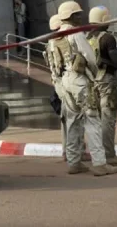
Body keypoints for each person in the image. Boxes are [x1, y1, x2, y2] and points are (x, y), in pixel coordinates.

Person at [53, 0, 117, 176]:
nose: (81, 17)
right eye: (78, 14)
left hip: (64, 81)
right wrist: (94, 75)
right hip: (79, 80)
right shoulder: (76, 33)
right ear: (70, 16)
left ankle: (74, 162)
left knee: (73, 121)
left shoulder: (55, 37)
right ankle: (99, 163)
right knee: (93, 119)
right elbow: (89, 57)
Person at [86, 6, 117, 166]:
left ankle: (98, 153)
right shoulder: (107, 38)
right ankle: (109, 154)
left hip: (93, 81)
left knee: (96, 119)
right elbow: (116, 61)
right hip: (107, 81)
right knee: (108, 118)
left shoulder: (88, 37)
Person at [44, 14, 67, 162]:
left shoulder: (49, 43)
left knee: (65, 119)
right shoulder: (62, 41)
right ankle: (74, 150)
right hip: (66, 81)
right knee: (74, 118)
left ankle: (66, 150)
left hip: (57, 82)